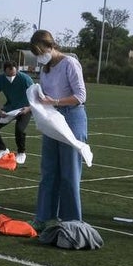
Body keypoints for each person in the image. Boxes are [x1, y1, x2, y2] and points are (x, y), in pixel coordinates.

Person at [30, 29, 87, 229]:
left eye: (40, 52)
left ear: (51, 46)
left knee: (69, 172)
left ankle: (71, 221)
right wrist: (33, 104)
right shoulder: (45, 69)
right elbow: (45, 95)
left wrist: (54, 100)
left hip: (71, 117)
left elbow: (81, 95)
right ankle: (43, 216)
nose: (40, 57)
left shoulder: (69, 63)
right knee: (48, 171)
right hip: (52, 119)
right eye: (36, 54)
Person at [0, 61, 34, 165]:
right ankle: (2, 149)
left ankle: (21, 152)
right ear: (4, 71)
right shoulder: (0, 79)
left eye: (14, 74)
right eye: (9, 74)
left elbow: (36, 98)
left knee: (19, 129)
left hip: (25, 108)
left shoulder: (25, 79)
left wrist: (28, 109)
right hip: (10, 108)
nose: (12, 76)